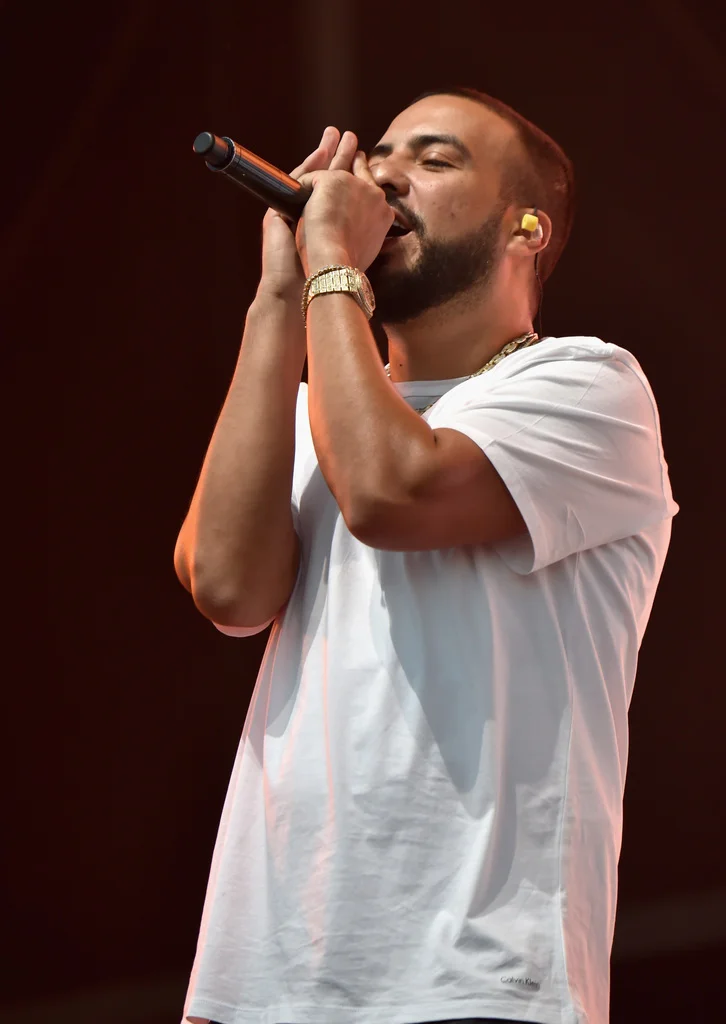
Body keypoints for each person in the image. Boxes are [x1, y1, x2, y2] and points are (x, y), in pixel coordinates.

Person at [174, 88, 678, 1024]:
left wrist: (331, 267)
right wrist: (281, 295)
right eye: (379, 158)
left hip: (472, 979)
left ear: (526, 227)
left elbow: (390, 493)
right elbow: (227, 587)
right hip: (263, 976)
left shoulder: (586, 384)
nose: (381, 175)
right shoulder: (320, 408)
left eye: (435, 161)